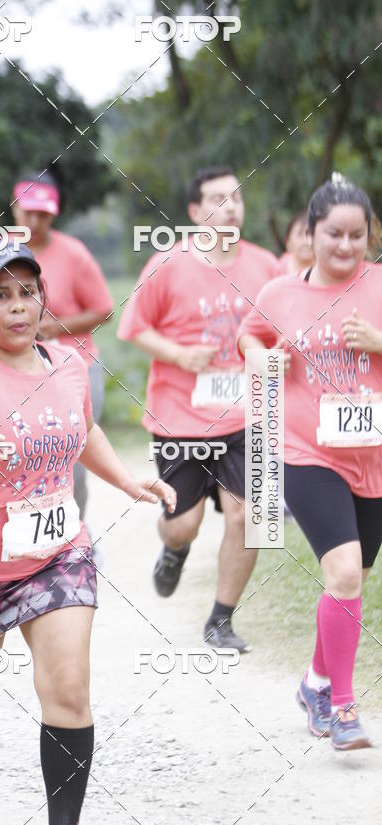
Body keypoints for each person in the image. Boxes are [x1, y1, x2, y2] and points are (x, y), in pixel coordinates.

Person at [0, 242, 175, 825]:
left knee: (68, 689)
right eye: (0, 296)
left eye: (27, 292)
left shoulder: (66, 363)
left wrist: (126, 482)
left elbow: (83, 430)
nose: (17, 307)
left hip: (57, 554)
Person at [238, 174, 382, 751]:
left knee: (351, 581)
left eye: (358, 236)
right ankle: (342, 708)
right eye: (334, 235)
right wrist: (260, 360)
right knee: (345, 571)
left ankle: (315, 680)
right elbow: (250, 336)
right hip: (309, 451)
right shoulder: (279, 294)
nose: (346, 247)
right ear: (310, 232)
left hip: (373, 454)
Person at [118, 166, 279, 652]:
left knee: (251, 517)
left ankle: (221, 620)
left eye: (235, 198)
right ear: (194, 212)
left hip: (249, 415)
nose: (230, 207)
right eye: (216, 199)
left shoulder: (267, 266)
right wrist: (179, 355)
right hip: (180, 416)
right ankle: (175, 548)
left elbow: (288, 324)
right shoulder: (169, 262)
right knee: (183, 522)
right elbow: (134, 327)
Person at [11, 169, 113, 529]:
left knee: (75, 458)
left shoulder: (74, 254)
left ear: (54, 213)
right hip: (13, 372)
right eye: (29, 212)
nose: (36, 220)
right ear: (15, 209)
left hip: (76, 368)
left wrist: (56, 327)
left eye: (44, 213)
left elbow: (104, 309)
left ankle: (75, 537)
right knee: (20, 458)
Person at [276, 210, 314, 276]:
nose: (306, 241)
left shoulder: (331, 272)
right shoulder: (275, 270)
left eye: (311, 235)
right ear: (288, 241)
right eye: (299, 235)